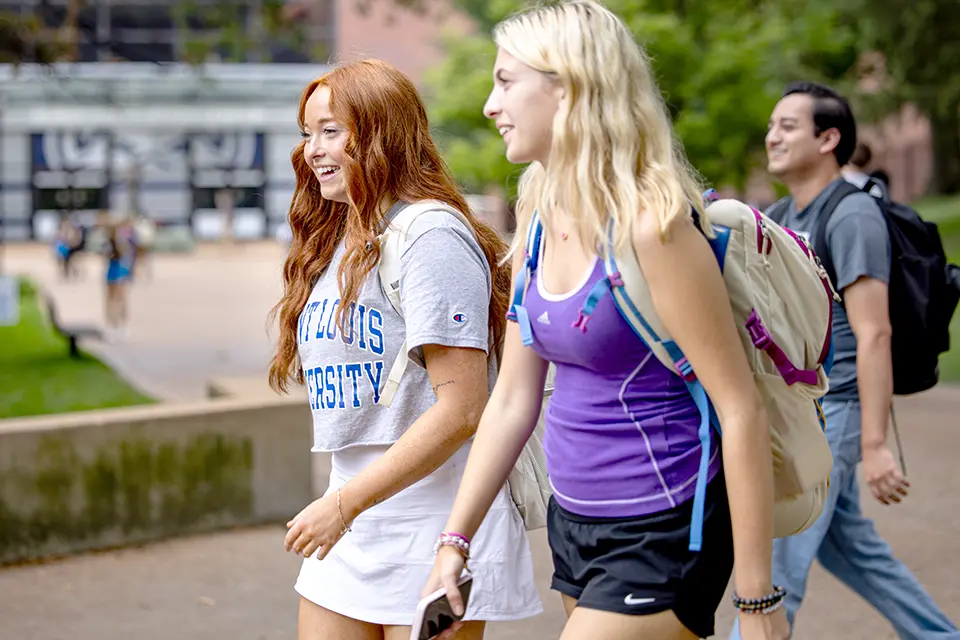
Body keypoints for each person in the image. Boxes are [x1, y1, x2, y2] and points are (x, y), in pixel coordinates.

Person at [424, 2, 789, 639]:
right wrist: (453, 541)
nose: (489, 104)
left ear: (569, 86)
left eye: (506, 82)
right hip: (575, 525)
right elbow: (512, 399)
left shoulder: (655, 228)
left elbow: (740, 409)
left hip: (667, 521)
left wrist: (757, 602)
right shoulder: (536, 220)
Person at [268, 59, 542, 640]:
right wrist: (343, 505)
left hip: (439, 522)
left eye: (330, 131)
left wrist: (343, 506)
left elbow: (462, 409)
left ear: (379, 133)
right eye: (306, 133)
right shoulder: (342, 240)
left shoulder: (431, 235)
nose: (312, 150)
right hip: (352, 518)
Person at [730, 81, 959, 639]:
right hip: (804, 406)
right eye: (771, 125)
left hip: (838, 407)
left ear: (829, 138)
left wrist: (875, 443)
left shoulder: (852, 215)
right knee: (849, 547)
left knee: (775, 562)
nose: (772, 136)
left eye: (789, 126)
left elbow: (873, 331)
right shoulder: (781, 214)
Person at [102, 217, 134, 340]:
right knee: (111, 300)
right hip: (112, 271)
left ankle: (121, 325)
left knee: (120, 299)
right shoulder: (109, 242)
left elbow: (126, 257)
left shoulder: (123, 242)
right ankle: (111, 325)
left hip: (121, 271)